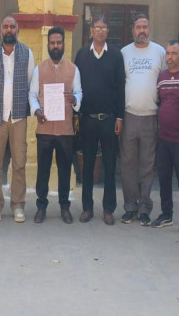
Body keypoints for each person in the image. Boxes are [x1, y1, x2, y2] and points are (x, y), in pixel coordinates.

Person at [74, 15, 124, 225]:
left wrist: (120, 116)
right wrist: (76, 114)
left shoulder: (116, 55)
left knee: (110, 165)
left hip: (109, 119)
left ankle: (108, 208)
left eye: (104, 27)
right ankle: (87, 207)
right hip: (88, 119)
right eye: (97, 27)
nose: (100, 31)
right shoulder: (82, 55)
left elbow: (121, 87)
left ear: (107, 31)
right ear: (91, 30)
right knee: (87, 165)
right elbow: (76, 86)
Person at [29, 27, 82, 224]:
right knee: (43, 170)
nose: (56, 46)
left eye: (59, 42)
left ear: (64, 44)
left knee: (64, 170)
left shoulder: (73, 69)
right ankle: (41, 207)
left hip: (65, 129)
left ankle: (64, 207)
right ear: (48, 45)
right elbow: (32, 94)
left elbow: (79, 92)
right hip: (44, 128)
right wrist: (36, 110)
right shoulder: (39, 69)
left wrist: (75, 99)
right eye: (52, 43)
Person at [0, 16, 35, 223]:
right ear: (0, 30)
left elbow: (30, 84)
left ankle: (18, 205)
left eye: (12, 27)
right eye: (5, 26)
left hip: (18, 117)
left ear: (17, 30)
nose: (9, 30)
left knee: (19, 163)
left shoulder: (27, 53)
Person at [119, 14, 166, 225]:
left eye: (145, 27)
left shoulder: (159, 52)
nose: (142, 31)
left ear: (149, 29)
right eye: (138, 27)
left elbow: (164, 82)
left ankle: (145, 207)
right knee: (127, 164)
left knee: (147, 164)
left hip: (150, 117)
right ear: (133, 30)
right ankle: (130, 206)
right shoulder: (124, 53)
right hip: (129, 115)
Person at [151, 41, 179, 235]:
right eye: (167, 53)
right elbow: (160, 102)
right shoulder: (161, 78)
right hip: (163, 138)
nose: (169, 57)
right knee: (164, 178)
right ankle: (166, 214)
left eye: (174, 53)